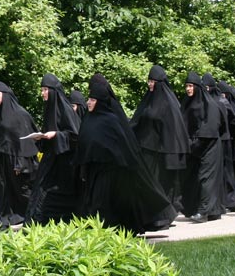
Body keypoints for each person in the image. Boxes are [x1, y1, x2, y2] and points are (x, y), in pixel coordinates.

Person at [76, 75, 176, 233]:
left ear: (100, 102)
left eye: (92, 100)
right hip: (93, 170)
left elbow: (120, 145)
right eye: (89, 99)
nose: (88, 102)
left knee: (104, 203)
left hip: (110, 171)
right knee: (95, 203)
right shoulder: (89, 119)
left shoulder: (111, 120)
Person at [129, 65, 189, 212]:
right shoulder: (148, 100)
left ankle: (163, 212)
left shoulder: (169, 104)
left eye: (153, 81)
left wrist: (170, 154)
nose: (150, 84)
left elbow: (173, 131)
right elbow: (137, 121)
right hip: (145, 149)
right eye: (149, 81)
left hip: (161, 153)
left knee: (161, 183)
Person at [25, 73, 80, 224]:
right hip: (50, 159)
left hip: (63, 162)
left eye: (45, 90)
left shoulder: (66, 110)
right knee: (40, 193)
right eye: (42, 90)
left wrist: (56, 135)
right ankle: (36, 225)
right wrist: (41, 138)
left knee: (52, 196)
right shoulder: (49, 110)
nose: (42, 93)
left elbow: (75, 136)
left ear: (53, 91)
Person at [0, 81, 39, 230]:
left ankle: (32, 219)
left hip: (16, 162)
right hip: (1, 161)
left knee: (21, 191)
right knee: (2, 191)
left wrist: (21, 163)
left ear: (6, 95)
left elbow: (25, 140)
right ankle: (4, 221)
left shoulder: (20, 115)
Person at [180, 72, 226, 223]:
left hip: (209, 145)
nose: (188, 89)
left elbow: (212, 127)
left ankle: (204, 212)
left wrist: (195, 142)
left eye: (190, 86)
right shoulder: (188, 103)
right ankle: (211, 211)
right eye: (186, 86)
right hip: (195, 147)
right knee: (195, 178)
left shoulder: (209, 105)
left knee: (205, 178)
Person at [203, 74, 235, 213]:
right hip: (217, 139)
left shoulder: (221, 101)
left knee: (227, 171)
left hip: (224, 139)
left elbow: (233, 121)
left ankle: (232, 201)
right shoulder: (211, 101)